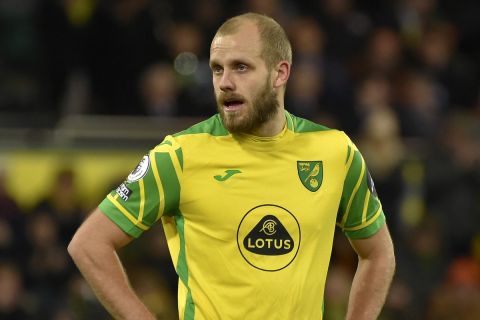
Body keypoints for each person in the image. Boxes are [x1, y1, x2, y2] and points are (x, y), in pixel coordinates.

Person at [68, 12, 395, 320]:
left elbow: (378, 254)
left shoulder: (334, 151)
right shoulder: (180, 155)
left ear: (279, 73)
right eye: (216, 68)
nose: (224, 82)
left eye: (240, 67)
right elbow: (89, 243)